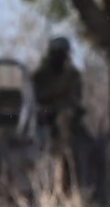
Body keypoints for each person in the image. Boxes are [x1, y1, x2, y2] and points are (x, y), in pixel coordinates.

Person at [32, 36, 83, 195]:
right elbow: (35, 97)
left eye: (62, 53)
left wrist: (66, 107)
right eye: (56, 53)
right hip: (44, 112)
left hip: (64, 114)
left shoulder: (73, 74)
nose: (59, 57)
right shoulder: (40, 75)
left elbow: (75, 98)